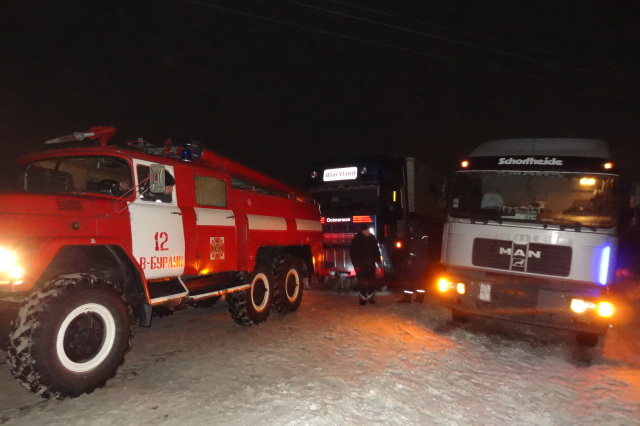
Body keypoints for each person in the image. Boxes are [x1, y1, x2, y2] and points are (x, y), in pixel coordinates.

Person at [350, 224, 381, 305]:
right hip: (361, 265)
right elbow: (353, 253)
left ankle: (371, 298)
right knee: (362, 283)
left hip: (371, 264)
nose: (367, 232)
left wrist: (378, 260)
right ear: (362, 231)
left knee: (372, 282)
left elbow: (376, 250)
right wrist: (356, 265)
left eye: (368, 231)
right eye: (365, 231)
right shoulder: (357, 239)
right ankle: (362, 299)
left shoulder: (372, 238)